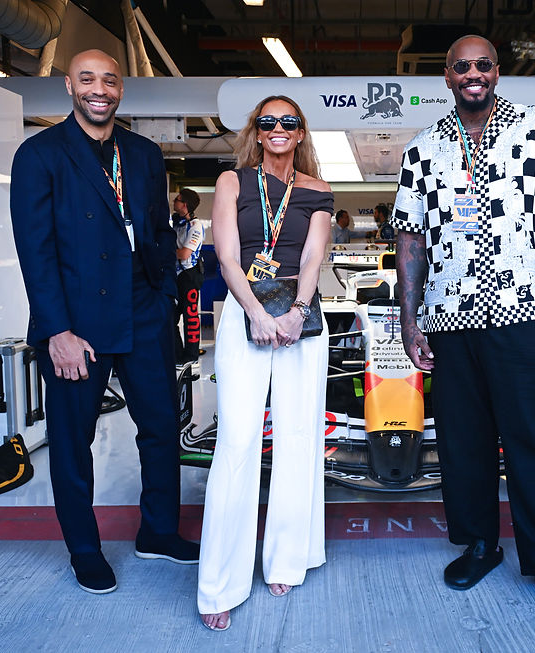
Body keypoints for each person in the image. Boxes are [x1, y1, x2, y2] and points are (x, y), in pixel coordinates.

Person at [392, 35, 535, 629]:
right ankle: (480, 544)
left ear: (497, 73)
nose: (473, 74)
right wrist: (409, 320)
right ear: (447, 77)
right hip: (449, 318)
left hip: (520, 311)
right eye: (462, 67)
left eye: (483, 65)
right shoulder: (424, 148)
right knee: (463, 442)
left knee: (529, 441)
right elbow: (408, 237)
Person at [9, 49, 198, 595]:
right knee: (74, 443)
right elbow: (35, 253)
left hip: (142, 314)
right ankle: (85, 550)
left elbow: (159, 234)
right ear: (69, 85)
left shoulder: (143, 153)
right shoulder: (40, 154)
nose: (100, 89)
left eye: (110, 81)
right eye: (87, 79)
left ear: (121, 89)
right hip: (76, 323)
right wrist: (56, 331)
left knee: (162, 429)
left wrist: (165, 297)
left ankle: (159, 532)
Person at [198, 95, 332, 632]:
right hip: (243, 313)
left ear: (300, 133)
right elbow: (227, 256)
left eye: (289, 122)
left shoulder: (318, 190)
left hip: (302, 319)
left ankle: (286, 557)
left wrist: (297, 312)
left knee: (300, 437)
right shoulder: (232, 182)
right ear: (256, 130)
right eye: (268, 121)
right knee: (237, 442)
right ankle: (221, 582)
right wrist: (255, 312)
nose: (278, 128)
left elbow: (313, 256)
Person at [172, 187, 206, 368]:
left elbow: (185, 253)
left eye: (177, 200)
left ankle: (191, 356)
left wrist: (164, 252)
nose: (174, 202)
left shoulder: (196, 225)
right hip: (174, 275)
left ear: (184, 204)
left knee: (190, 316)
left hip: (190, 274)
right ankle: (178, 356)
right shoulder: (175, 222)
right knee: (170, 317)